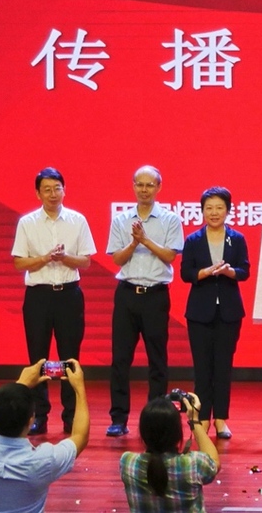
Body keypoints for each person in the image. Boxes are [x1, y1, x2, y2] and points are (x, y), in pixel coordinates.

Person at [11, 167, 96, 435]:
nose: (52, 194)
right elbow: (19, 262)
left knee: (70, 357)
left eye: (57, 188)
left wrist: (64, 258)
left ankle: (71, 416)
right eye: (46, 189)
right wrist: (46, 258)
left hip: (69, 295)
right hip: (39, 296)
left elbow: (86, 261)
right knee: (38, 357)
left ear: (64, 190)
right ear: (38, 193)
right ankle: (39, 415)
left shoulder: (77, 220)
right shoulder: (27, 223)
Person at [107, 165, 184, 438]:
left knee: (157, 359)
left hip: (155, 296)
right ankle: (118, 418)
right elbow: (117, 259)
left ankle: (156, 417)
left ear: (159, 187)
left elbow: (170, 256)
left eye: (150, 185)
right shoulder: (121, 219)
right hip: (127, 294)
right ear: (133, 186)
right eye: (139, 184)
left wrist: (145, 240)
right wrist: (133, 243)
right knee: (120, 359)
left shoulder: (170, 219)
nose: (144, 189)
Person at [0, 359, 90, 513]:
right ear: (30, 421)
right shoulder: (44, 460)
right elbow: (80, 436)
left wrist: (21, 384)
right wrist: (79, 388)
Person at [180, 186, 250, 439]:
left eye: (219, 207)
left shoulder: (237, 239)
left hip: (229, 313)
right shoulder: (193, 240)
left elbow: (244, 271)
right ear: (201, 211)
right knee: (202, 369)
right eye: (209, 208)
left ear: (228, 210)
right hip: (199, 313)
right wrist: (205, 272)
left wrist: (230, 272)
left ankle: (221, 419)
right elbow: (185, 273)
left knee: (223, 368)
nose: (214, 212)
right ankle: (201, 418)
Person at [120, 393, 220, 513]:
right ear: (178, 433)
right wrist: (194, 420)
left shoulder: (127, 462)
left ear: (143, 432)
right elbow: (215, 462)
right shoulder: (194, 463)